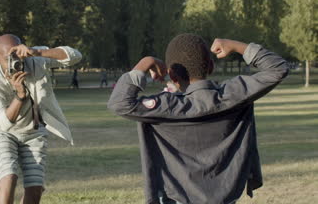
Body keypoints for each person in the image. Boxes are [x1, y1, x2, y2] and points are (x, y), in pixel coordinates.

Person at [107, 34, 289, 204]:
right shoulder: (234, 95)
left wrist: (146, 62)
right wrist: (236, 46)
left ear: (172, 75)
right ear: (211, 66)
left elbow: (119, 102)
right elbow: (278, 68)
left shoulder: (167, 107)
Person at [0, 34, 82, 204]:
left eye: (17, 56)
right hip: (1, 131)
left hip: (33, 130)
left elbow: (75, 56)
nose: (16, 63)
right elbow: (4, 123)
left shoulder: (33, 58)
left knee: (35, 188)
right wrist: (20, 96)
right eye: (8, 59)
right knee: (9, 175)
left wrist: (37, 53)